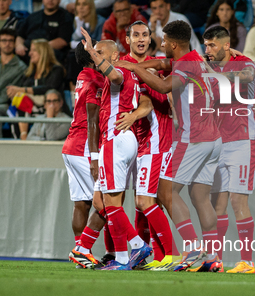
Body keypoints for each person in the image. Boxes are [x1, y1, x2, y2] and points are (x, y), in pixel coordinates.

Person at [116, 20, 223, 272]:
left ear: (173, 44)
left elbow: (164, 86)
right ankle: (212, 256)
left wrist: (132, 66)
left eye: (164, 41)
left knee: (166, 193)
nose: (161, 45)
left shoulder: (185, 65)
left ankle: (192, 249)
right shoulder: (195, 58)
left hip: (194, 137)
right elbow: (164, 64)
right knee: (200, 198)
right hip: (214, 138)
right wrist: (140, 65)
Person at [80, 30, 154, 271]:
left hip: (115, 139)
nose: (95, 57)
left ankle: (135, 246)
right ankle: (123, 255)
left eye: (101, 53)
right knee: (102, 202)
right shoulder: (116, 74)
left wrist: (92, 50)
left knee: (111, 203)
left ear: (114, 55)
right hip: (120, 140)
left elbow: (116, 77)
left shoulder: (120, 71)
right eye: (95, 53)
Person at [115, 21, 177, 270]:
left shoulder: (155, 65)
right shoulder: (121, 66)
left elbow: (148, 101)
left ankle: (171, 254)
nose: (141, 39)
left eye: (145, 35)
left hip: (154, 140)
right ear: (127, 39)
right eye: (136, 35)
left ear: (150, 38)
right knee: (142, 202)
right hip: (134, 142)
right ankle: (157, 256)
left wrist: (132, 116)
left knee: (146, 201)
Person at [203, 26, 255, 274]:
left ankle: (247, 262)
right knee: (217, 205)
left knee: (238, 201)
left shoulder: (245, 63)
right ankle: (216, 260)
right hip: (217, 142)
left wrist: (218, 72)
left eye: (212, 45)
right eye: (205, 45)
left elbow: (247, 76)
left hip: (241, 141)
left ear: (226, 45)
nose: (207, 50)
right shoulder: (207, 64)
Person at [64, 42, 107, 268]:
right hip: (84, 147)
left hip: (71, 145)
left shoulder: (83, 75)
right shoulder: (96, 79)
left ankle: (80, 249)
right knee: (106, 201)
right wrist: (95, 155)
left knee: (82, 203)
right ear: (91, 58)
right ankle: (83, 249)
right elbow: (93, 120)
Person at [8, 39, 66, 139]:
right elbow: (20, 90)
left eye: (33, 50)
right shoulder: (29, 73)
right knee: (17, 103)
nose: (30, 53)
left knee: (22, 99)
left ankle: (24, 139)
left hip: (50, 107)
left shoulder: (56, 70)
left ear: (43, 52)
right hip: (30, 110)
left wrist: (22, 90)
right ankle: (21, 140)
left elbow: (50, 88)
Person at [15, 0, 74, 64]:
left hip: (49, 54)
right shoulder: (33, 16)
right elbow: (20, 35)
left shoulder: (65, 17)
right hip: (27, 51)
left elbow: (63, 41)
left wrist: (39, 49)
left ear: (59, 0)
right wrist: (19, 45)